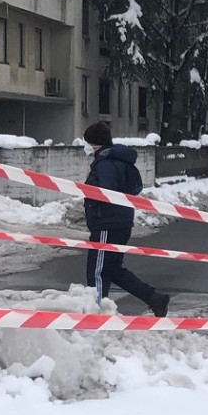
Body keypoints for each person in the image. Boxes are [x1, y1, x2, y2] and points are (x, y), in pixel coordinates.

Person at [81, 121, 170, 317]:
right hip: (121, 221)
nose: (86, 146)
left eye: (88, 142)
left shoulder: (105, 163)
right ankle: (154, 298)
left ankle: (96, 313)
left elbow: (107, 192)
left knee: (97, 270)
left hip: (106, 222)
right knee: (113, 269)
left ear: (95, 143)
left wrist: (91, 182)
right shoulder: (119, 160)